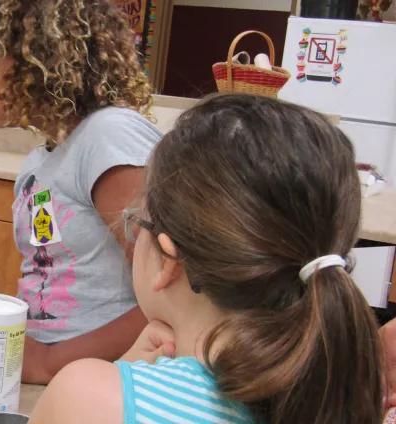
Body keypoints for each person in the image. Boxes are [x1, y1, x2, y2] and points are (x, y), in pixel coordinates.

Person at [28, 93, 385, 423]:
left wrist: (120, 376)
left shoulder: (85, 398)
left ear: (167, 260)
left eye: (137, 224)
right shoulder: (344, 397)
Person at [0, 0, 161, 384]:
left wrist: (49, 362)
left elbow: (171, 295)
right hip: (48, 377)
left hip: (101, 383)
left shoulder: (108, 137)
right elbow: (50, 275)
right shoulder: (40, 163)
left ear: (35, 60)